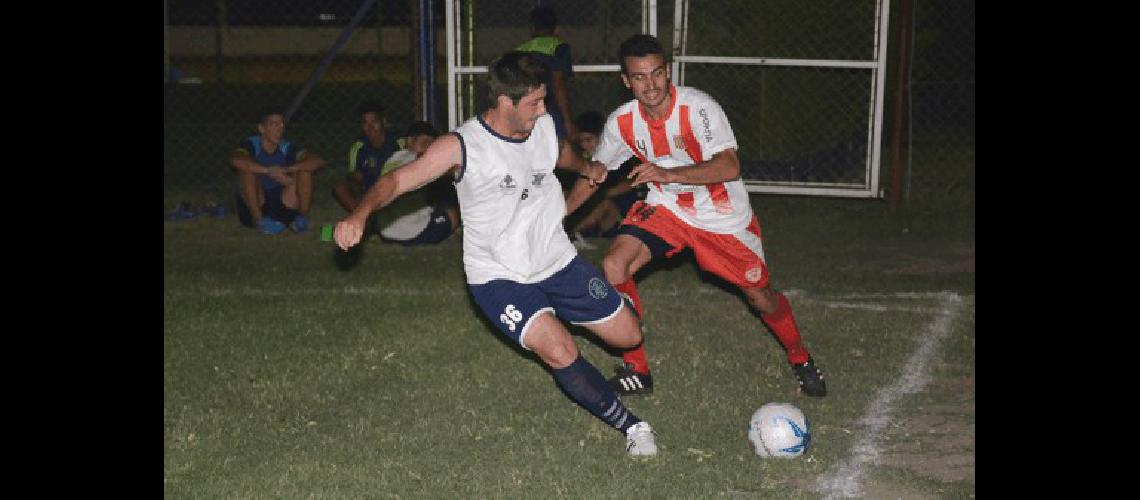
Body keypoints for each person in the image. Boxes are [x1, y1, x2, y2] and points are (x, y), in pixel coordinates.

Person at [334, 51, 658, 456]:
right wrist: (360, 214)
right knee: (559, 350)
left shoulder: (540, 125)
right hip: (499, 276)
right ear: (506, 101)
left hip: (555, 259)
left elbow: (561, 154)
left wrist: (587, 168)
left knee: (629, 334)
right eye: (535, 103)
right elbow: (397, 181)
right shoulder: (462, 146)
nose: (544, 110)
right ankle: (632, 427)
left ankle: (596, 309)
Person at [583, 34, 827, 398]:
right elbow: (596, 172)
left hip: (721, 217)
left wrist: (668, 174)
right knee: (615, 265)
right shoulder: (622, 122)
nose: (650, 85)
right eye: (639, 77)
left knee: (761, 298)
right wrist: (558, 214)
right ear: (625, 80)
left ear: (668, 72)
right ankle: (637, 369)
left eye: (657, 73)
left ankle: (800, 357)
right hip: (666, 207)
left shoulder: (698, 108)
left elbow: (729, 166)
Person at [230, 107, 326, 235]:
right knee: (247, 172)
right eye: (274, 125)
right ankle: (260, 221)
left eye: (282, 125)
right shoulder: (251, 144)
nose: (279, 129)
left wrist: (287, 170)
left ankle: (301, 219)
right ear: (261, 129)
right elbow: (236, 160)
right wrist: (268, 171)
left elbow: (318, 161)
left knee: (304, 170)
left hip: (282, 202)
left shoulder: (287, 147)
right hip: (259, 202)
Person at [375, 121, 463, 246]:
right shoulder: (419, 159)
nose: (432, 147)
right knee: (453, 213)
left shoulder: (392, 158)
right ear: (410, 141)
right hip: (412, 234)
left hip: (385, 231)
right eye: (426, 142)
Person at [565, 111, 643, 250]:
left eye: (589, 140)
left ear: (602, 137)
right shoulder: (584, 158)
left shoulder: (618, 156)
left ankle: (564, 234)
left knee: (601, 202)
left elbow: (632, 183)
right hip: (595, 204)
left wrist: (594, 195)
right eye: (581, 141)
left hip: (622, 209)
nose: (584, 145)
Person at [332, 101, 403, 227]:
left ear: (383, 121)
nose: (370, 127)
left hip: (395, 193)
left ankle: (369, 220)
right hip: (371, 195)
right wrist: (358, 189)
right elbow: (353, 177)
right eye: (365, 123)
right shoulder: (358, 147)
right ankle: (365, 219)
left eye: (374, 121)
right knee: (339, 188)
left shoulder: (399, 142)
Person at [516, 6, 577, 142]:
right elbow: (558, 82)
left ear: (532, 28)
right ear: (556, 29)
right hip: (552, 108)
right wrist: (567, 121)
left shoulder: (519, 51)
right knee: (557, 148)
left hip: (525, 109)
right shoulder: (559, 48)